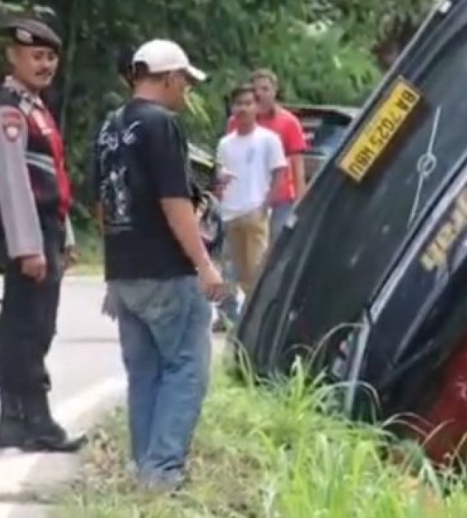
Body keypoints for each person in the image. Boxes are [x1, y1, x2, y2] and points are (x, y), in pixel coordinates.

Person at [91, 39, 226, 490]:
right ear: (168, 78)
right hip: (166, 270)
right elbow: (174, 202)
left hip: (124, 270)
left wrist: (114, 265)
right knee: (186, 367)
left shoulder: (110, 126)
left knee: (144, 371)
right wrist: (205, 265)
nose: (187, 90)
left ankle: (143, 468)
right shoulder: (161, 125)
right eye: (185, 81)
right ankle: (163, 473)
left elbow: (102, 205)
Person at [0, 17, 83, 453]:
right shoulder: (8, 110)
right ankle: (31, 418)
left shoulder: (35, 108)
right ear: (13, 56)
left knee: (35, 323)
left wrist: (67, 236)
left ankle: (17, 420)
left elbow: (53, 177)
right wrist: (29, 248)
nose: (45, 65)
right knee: (27, 325)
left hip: (47, 227)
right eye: (36, 56)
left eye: (50, 57)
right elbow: (12, 183)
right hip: (28, 230)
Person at [215, 83, 286, 307]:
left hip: (255, 210)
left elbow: (280, 172)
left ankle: (254, 314)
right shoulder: (225, 143)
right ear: (232, 108)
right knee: (228, 268)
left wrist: (266, 204)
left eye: (248, 103)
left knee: (255, 269)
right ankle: (229, 315)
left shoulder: (268, 139)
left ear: (256, 107)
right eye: (239, 104)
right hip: (230, 213)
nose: (243, 109)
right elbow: (219, 174)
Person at [228, 68, 308, 243]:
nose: (260, 94)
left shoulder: (288, 122)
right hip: (249, 198)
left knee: (276, 247)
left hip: (281, 199)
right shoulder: (238, 121)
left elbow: (297, 164)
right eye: (256, 90)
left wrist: (301, 201)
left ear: (274, 91)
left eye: (265, 89)